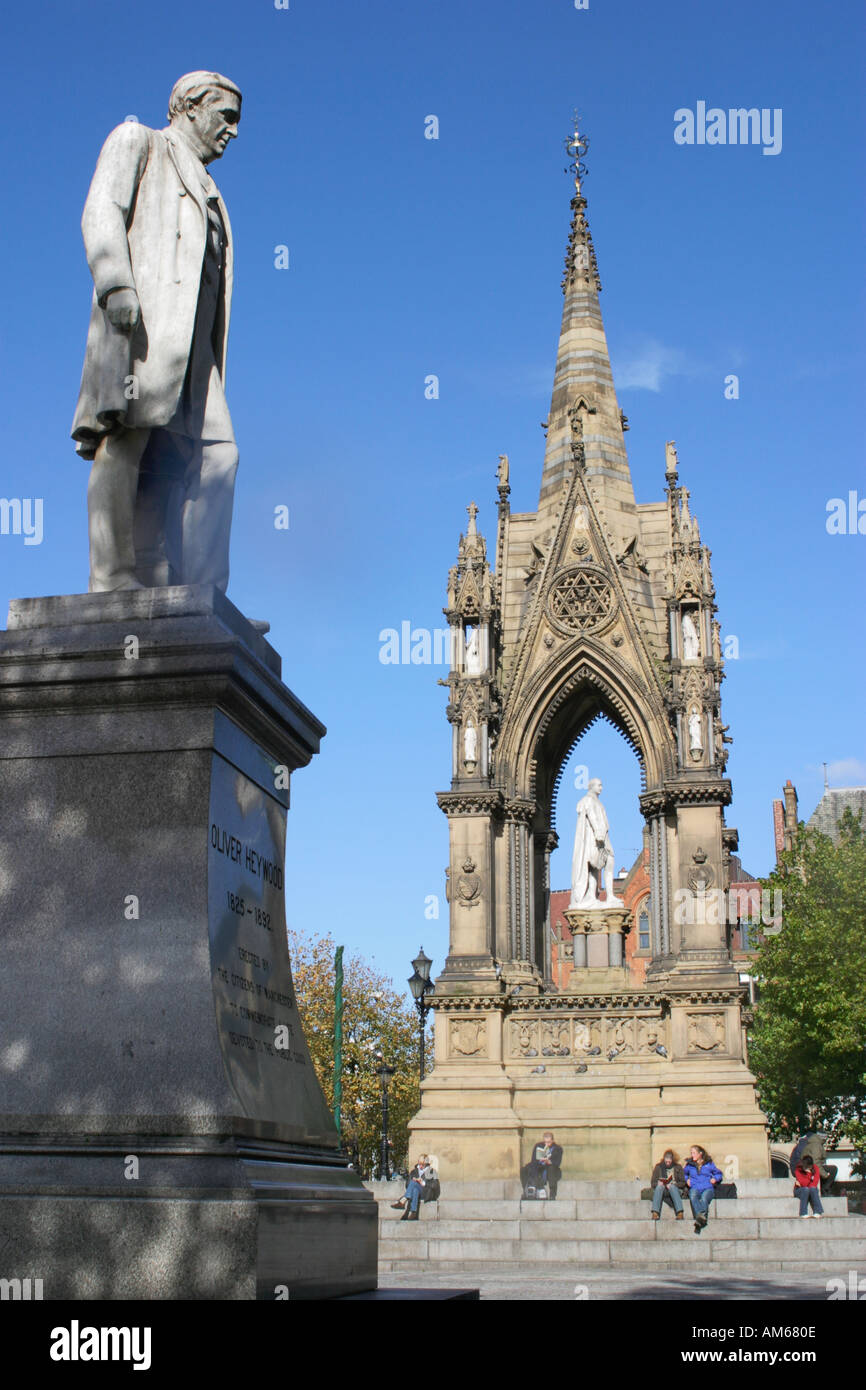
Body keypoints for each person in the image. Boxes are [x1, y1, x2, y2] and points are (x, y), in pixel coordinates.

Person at [72, 72, 243, 593]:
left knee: (218, 453)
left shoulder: (213, 191)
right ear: (191, 107)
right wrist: (115, 283)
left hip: (195, 352)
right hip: (144, 326)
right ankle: (112, 577)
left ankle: (203, 590)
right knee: (125, 439)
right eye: (227, 117)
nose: (233, 132)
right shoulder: (138, 141)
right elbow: (102, 209)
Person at [683, 1144, 722, 1233]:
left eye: (694, 1153)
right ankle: (701, 1217)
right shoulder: (689, 1165)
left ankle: (699, 1219)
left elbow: (718, 1174)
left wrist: (715, 1179)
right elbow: (684, 1174)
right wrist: (687, 1180)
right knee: (692, 1196)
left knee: (704, 1198)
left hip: (707, 1187)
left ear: (700, 1154)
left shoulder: (709, 1164)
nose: (692, 1155)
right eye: (691, 1153)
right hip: (695, 1186)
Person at [390, 1155, 438, 1221]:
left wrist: (423, 1183)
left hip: (426, 1192)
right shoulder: (413, 1171)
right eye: (419, 1163)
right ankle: (413, 1213)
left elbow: (435, 1185)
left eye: (423, 1164)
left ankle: (403, 1200)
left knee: (414, 1183)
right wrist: (414, 1181)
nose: (420, 1166)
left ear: (427, 1164)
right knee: (415, 1189)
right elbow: (407, 1185)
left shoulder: (432, 1171)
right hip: (415, 1192)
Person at [521, 1132, 563, 1200]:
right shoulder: (538, 1146)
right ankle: (527, 1191)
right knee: (524, 1169)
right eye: (545, 1142)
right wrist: (540, 1160)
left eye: (549, 1142)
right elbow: (534, 1160)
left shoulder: (558, 1148)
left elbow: (558, 1162)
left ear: (552, 1140)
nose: (547, 1144)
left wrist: (550, 1161)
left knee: (551, 1169)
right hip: (540, 1166)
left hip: (551, 1168)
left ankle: (552, 1194)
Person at [650, 1149, 687, 1220]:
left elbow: (683, 1182)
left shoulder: (677, 1167)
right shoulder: (658, 1167)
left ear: (672, 1159)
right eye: (666, 1160)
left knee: (672, 1187)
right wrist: (659, 1183)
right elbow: (653, 1183)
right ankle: (655, 1213)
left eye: (669, 1160)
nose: (668, 1162)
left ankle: (680, 1212)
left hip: (675, 1189)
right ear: (664, 1159)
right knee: (659, 1187)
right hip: (663, 1189)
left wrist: (674, 1184)